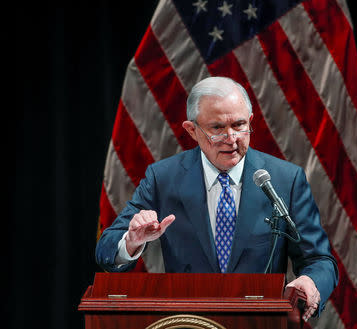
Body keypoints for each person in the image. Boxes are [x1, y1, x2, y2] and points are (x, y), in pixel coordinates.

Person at [96, 76, 338, 322]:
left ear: (251, 121)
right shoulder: (163, 179)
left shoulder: (286, 180)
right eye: (217, 128)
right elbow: (106, 249)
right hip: (189, 323)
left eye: (239, 125)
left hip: (261, 325)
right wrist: (131, 241)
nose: (231, 137)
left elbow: (319, 260)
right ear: (192, 130)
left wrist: (311, 281)